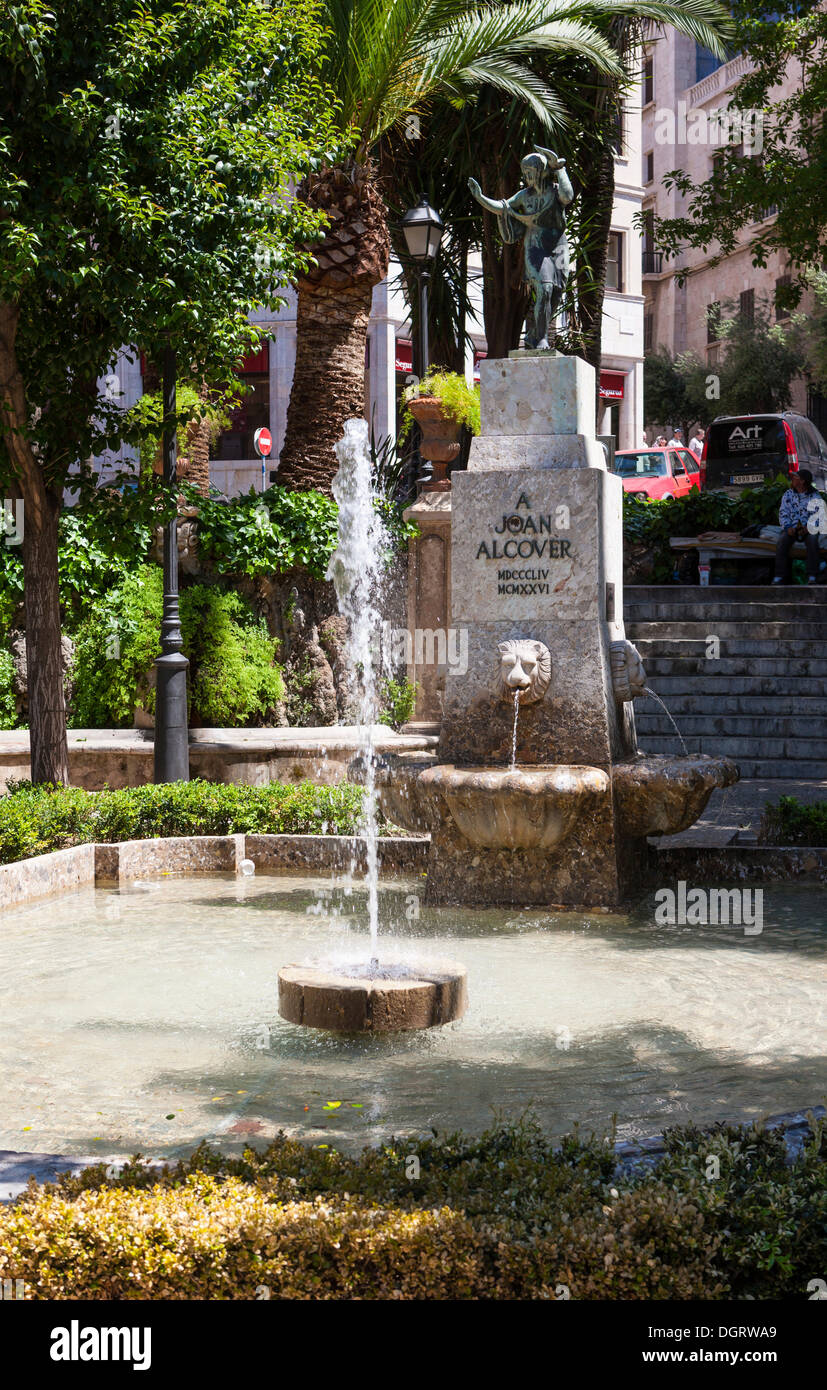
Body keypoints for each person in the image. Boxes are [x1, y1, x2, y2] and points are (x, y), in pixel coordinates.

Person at [773, 469, 827, 584]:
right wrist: (787, 527)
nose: (792, 479)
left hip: (808, 528)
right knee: (782, 541)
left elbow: (820, 516)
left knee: (812, 541)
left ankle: (812, 576)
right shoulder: (788, 494)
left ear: (802, 481)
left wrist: (809, 528)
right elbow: (783, 513)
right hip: (791, 528)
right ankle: (779, 576)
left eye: (796, 477)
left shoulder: (815, 496)